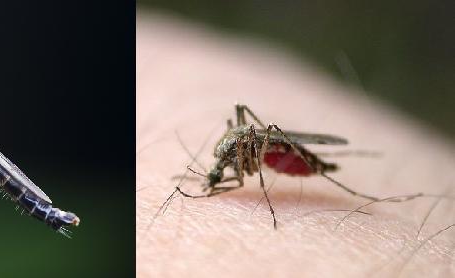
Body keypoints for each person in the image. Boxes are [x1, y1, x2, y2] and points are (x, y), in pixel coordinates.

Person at [136, 12, 455, 277]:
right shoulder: (226, 163)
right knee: (245, 126)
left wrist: (265, 179)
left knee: (256, 128)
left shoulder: (236, 156)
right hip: (263, 149)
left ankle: (336, 180)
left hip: (273, 148)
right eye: (215, 178)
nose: (218, 179)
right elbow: (231, 176)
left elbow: (240, 163)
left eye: (215, 177)